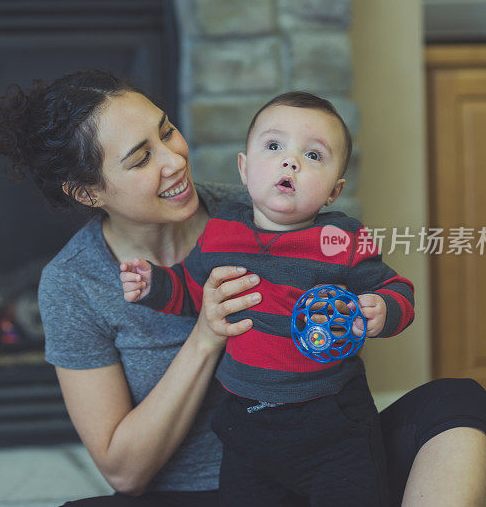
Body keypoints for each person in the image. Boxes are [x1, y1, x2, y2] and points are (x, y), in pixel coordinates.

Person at [0, 70, 486, 507]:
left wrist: (373, 309)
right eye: (142, 158)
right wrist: (207, 334)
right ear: (88, 192)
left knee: (454, 401)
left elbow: (353, 284)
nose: (174, 160)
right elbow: (124, 473)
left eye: (167, 131)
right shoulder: (74, 282)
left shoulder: (259, 209)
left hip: (324, 453)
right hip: (214, 485)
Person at [119, 91, 412, 506]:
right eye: (274, 147)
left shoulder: (342, 239)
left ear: (334, 190)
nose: (290, 161)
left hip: (331, 421)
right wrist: (154, 285)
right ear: (245, 168)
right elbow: (193, 289)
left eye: (313, 156)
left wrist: (385, 308)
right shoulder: (222, 232)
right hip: (247, 421)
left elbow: (395, 286)